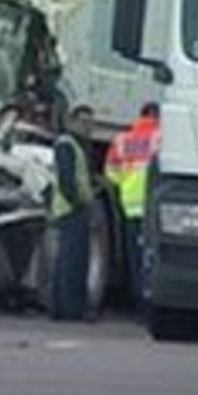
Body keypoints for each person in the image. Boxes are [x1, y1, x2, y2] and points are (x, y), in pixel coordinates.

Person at [104, 102, 161, 314]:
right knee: (152, 258)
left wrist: (126, 185)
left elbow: (111, 173)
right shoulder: (160, 136)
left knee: (135, 259)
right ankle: (150, 305)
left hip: (129, 206)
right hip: (152, 205)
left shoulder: (122, 140)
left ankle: (138, 305)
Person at [50, 104, 96, 321]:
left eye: (91, 124)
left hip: (70, 208)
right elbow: (67, 179)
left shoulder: (75, 145)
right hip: (71, 210)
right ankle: (70, 310)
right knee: (72, 262)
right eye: (84, 123)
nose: (89, 128)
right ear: (72, 122)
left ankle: (62, 308)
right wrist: (78, 203)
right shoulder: (67, 145)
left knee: (68, 261)